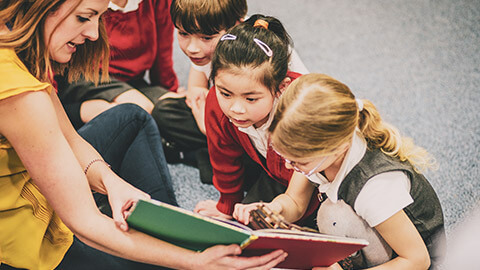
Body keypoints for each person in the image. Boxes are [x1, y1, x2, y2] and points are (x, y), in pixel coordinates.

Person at [0, 1, 287, 269]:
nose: (93, 33)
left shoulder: (16, 48)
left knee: (134, 117)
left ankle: (177, 234)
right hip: (36, 247)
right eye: (84, 17)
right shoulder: (20, 96)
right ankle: (184, 248)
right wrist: (193, 262)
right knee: (165, 260)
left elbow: (71, 141)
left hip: (44, 190)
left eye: (98, 18)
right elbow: (84, 224)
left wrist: (111, 182)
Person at [233, 73, 446, 269]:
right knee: (330, 216)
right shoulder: (321, 150)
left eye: (297, 160)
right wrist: (273, 208)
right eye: (285, 155)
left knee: (333, 216)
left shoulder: (375, 188)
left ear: (337, 149)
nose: (289, 166)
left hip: (414, 260)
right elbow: (295, 202)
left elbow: (417, 259)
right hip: (378, 237)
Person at [153, 0, 309, 183]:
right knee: (164, 112)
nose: (192, 48)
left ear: (237, 25)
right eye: (184, 34)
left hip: (271, 129)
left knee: (275, 175)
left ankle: (215, 159)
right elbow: (196, 88)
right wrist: (205, 117)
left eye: (206, 37)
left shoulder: (265, 47)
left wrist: (210, 126)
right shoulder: (204, 49)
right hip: (234, 118)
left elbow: (305, 101)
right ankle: (219, 156)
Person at [193, 15, 319, 227]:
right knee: (240, 221)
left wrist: (279, 211)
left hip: (314, 182)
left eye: (250, 98)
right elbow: (222, 156)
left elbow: (298, 199)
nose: (236, 108)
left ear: (282, 87)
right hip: (272, 171)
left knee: (259, 225)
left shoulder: (303, 109)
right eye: (226, 93)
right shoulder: (216, 101)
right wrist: (227, 204)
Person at [56, 0, 180, 130]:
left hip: (133, 81)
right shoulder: (95, 5)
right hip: (87, 76)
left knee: (176, 107)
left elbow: (163, 54)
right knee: (141, 109)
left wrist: (169, 91)